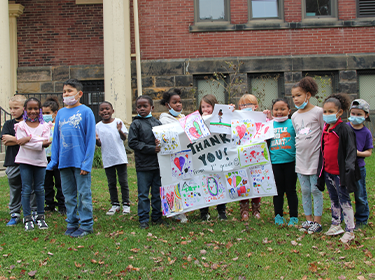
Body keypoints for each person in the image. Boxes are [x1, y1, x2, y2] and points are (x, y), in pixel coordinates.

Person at [47, 79, 96, 238]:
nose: (66, 94)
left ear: (79, 94)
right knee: (68, 195)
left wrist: (87, 163)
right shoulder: (60, 113)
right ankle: (72, 223)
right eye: (64, 91)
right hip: (64, 162)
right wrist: (54, 161)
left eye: (69, 91)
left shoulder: (86, 111)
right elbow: (56, 139)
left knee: (83, 195)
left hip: (80, 162)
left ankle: (86, 225)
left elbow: (90, 140)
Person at [317, 94, 360, 243]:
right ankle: (336, 223)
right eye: (325, 112)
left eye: (331, 112)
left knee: (345, 200)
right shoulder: (326, 128)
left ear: (340, 112)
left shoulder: (344, 129)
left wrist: (348, 172)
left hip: (341, 173)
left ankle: (350, 230)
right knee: (334, 199)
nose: (327, 115)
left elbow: (350, 151)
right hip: (328, 171)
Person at [291, 77, 324, 234]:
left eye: (298, 95)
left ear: (308, 95)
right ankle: (308, 219)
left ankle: (317, 221)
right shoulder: (294, 116)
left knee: (315, 190)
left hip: (315, 159)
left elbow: (324, 134)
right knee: (304, 190)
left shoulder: (318, 112)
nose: (295, 99)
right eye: (293, 96)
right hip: (301, 159)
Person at [15, 97, 52, 230]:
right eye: (30, 108)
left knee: (39, 189)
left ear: (40, 110)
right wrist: (37, 142)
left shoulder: (44, 126)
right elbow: (21, 144)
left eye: (36, 108)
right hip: (25, 161)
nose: (33, 111)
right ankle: (27, 217)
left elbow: (46, 142)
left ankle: (40, 216)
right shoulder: (20, 126)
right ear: (25, 110)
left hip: (40, 162)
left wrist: (28, 139)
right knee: (26, 189)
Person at [128, 95, 164, 229]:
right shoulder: (135, 124)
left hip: (158, 165)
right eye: (139, 106)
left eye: (145, 106)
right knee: (143, 194)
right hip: (143, 165)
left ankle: (157, 216)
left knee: (157, 192)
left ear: (152, 107)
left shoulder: (157, 123)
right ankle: (143, 218)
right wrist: (151, 148)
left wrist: (161, 142)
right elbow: (132, 143)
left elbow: (163, 139)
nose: (142, 109)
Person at [1, 95, 36, 226]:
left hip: (29, 160)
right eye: (10, 108)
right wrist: (25, 140)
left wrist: (15, 139)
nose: (12, 111)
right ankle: (14, 213)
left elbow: (35, 139)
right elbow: (5, 140)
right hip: (12, 161)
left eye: (16, 108)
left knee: (31, 187)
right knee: (15, 188)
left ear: (24, 108)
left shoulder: (31, 123)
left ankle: (33, 212)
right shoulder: (8, 124)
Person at [96, 101, 130, 216]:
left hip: (120, 157)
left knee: (123, 182)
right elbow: (99, 144)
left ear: (112, 111)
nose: (105, 111)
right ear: (99, 113)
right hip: (108, 158)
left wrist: (119, 130)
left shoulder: (118, 122)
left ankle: (126, 204)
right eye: (102, 109)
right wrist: (97, 140)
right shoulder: (98, 126)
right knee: (111, 182)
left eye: (107, 108)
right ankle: (115, 204)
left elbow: (124, 138)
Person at [159, 88, 188, 223]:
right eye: (174, 102)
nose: (178, 105)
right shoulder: (164, 119)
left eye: (180, 102)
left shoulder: (184, 117)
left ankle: (184, 209)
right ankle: (174, 211)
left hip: (184, 155)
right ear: (167, 105)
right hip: (172, 156)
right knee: (172, 182)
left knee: (183, 182)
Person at [197, 94, 228, 221]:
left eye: (208, 106)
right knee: (203, 183)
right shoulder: (197, 119)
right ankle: (204, 212)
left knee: (220, 182)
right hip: (203, 158)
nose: (205, 109)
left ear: (214, 106)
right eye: (203, 106)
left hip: (218, 156)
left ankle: (222, 211)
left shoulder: (220, 118)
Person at [268, 98, 298, 226]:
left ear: (289, 111)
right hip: (275, 163)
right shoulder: (268, 125)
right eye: (276, 109)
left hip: (291, 162)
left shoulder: (293, 124)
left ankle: (294, 216)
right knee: (278, 191)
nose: (279, 112)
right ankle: (278, 215)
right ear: (272, 111)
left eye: (282, 109)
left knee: (291, 190)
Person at [347, 99, 373, 229]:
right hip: (345, 166)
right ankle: (343, 217)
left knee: (360, 194)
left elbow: (369, 152)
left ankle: (362, 220)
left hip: (359, 167)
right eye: (353, 113)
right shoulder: (345, 128)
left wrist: (358, 153)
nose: (355, 117)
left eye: (359, 114)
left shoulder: (366, 132)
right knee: (343, 193)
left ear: (366, 115)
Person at [237, 94, 262, 220]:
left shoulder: (261, 118)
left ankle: (256, 209)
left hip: (257, 157)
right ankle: (244, 209)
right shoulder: (236, 119)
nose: (245, 107)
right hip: (241, 156)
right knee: (243, 182)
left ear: (255, 106)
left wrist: (267, 117)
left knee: (256, 182)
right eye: (242, 105)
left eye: (248, 104)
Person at [42, 97, 66, 215]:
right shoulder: (41, 126)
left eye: (48, 113)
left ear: (55, 113)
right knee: (47, 183)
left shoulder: (59, 125)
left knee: (60, 182)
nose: (45, 115)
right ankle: (49, 203)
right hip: (44, 158)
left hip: (58, 158)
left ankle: (62, 204)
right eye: (43, 113)